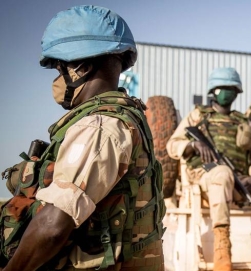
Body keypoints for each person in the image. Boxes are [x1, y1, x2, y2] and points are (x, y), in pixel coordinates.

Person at [0, 5, 165, 270]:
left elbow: (53, 225)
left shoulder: (100, 127)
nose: (57, 80)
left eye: (59, 70)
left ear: (82, 68)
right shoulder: (125, 116)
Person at [166, 67, 251, 271]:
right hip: (207, 179)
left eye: (231, 89)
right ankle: (222, 249)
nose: (227, 93)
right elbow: (172, 145)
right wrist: (194, 145)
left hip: (240, 183)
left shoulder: (244, 121)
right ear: (213, 91)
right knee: (222, 173)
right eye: (223, 88)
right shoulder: (197, 116)